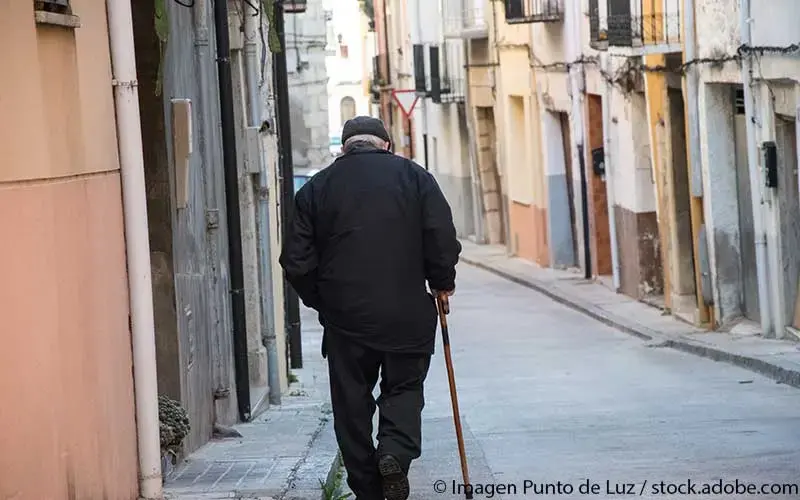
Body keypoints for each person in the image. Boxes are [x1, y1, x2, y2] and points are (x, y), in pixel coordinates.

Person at [279, 116, 461, 500]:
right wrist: (442, 281)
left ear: (344, 148)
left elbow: (295, 261)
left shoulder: (316, 189)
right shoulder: (416, 179)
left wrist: (324, 301)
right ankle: (394, 451)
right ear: (387, 145)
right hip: (407, 314)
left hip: (346, 322)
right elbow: (441, 237)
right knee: (405, 388)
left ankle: (367, 487)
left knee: (351, 406)